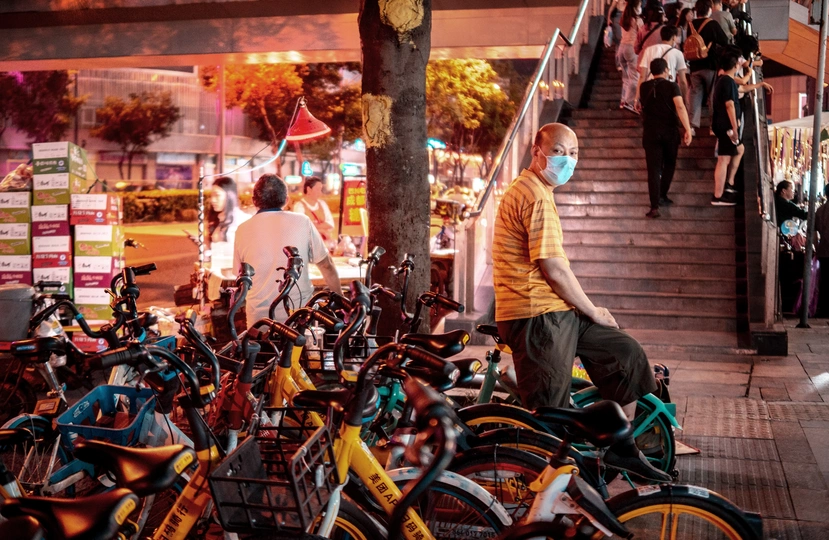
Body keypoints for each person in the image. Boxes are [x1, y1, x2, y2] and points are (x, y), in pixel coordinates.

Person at [492, 122, 671, 482]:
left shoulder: (540, 191)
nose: (567, 160)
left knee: (624, 353)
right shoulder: (534, 195)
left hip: (556, 311)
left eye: (573, 153)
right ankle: (550, 483)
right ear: (537, 152)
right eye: (558, 152)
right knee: (551, 413)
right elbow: (554, 269)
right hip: (535, 315)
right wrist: (593, 310)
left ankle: (622, 448)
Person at [234, 174, 341, 324]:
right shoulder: (302, 221)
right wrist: (341, 303)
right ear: (286, 200)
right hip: (299, 318)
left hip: (259, 321)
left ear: (254, 201)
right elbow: (326, 265)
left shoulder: (242, 230)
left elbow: (239, 275)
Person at [640, 58, 694, 218]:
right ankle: (662, 195)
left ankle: (654, 206)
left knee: (653, 169)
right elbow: (680, 106)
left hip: (650, 132)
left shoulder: (644, 87)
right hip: (669, 132)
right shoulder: (672, 86)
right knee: (669, 164)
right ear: (665, 70)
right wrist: (687, 129)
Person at [686, 0, 730, 133]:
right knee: (712, 96)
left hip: (694, 65)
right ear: (709, 9)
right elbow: (725, 41)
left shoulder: (691, 25)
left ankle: (692, 126)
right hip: (710, 65)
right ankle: (713, 126)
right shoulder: (712, 24)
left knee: (695, 94)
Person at [635, 26, 690, 105]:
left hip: (651, 90)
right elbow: (683, 81)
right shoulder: (678, 53)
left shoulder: (649, 50)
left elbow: (642, 76)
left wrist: (637, 98)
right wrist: (684, 100)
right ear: (674, 37)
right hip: (668, 90)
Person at [293, 176, 335, 245]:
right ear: (309, 189)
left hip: (323, 244)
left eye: (321, 190)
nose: (320, 193)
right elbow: (301, 227)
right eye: (317, 189)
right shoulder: (299, 206)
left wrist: (312, 226)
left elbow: (330, 224)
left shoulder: (322, 204)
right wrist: (321, 230)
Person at [618, 0, 644, 112]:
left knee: (625, 77)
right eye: (640, 5)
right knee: (634, 77)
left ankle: (623, 99)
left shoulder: (624, 18)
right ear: (636, 7)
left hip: (621, 47)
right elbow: (642, 35)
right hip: (631, 48)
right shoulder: (637, 20)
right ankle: (629, 102)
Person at [208, 176, 239, 243]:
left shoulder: (241, 220)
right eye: (211, 195)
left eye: (217, 195)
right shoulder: (219, 219)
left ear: (229, 195)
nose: (212, 200)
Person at [814, 188, 829, 316]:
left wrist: (815, 247)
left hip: (823, 250)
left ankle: (824, 308)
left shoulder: (820, 210)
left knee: (824, 281)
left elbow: (813, 231)